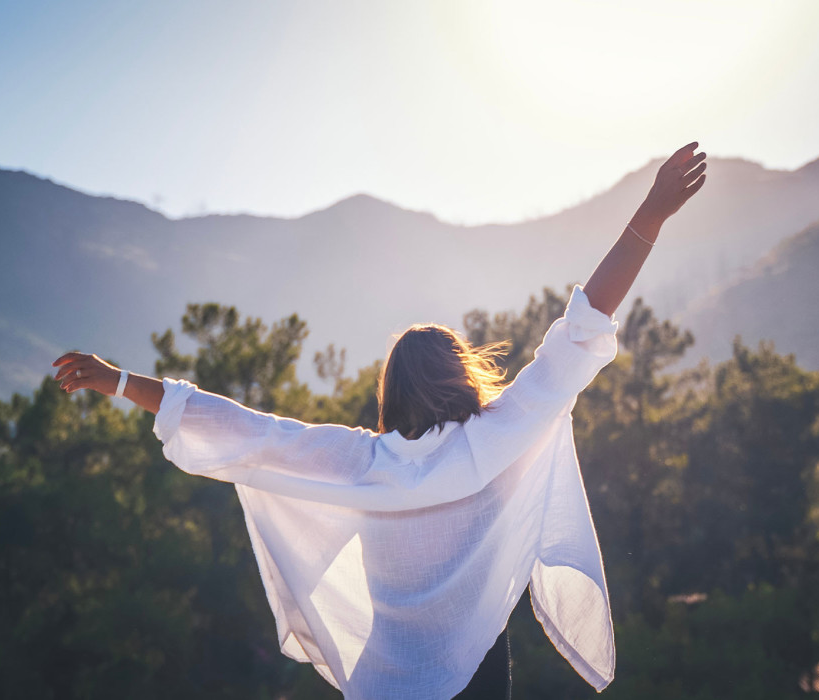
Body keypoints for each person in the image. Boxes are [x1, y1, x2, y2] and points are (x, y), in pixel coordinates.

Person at [52, 143, 707, 699]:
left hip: (381, 684)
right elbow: (580, 330)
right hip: (478, 679)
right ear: (462, 378)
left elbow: (242, 429)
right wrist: (650, 214)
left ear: (391, 393)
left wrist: (117, 381)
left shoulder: (362, 462)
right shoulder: (498, 438)